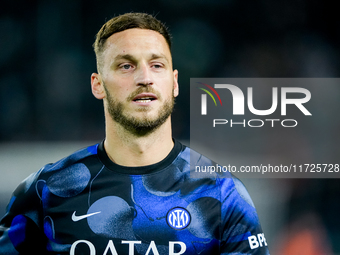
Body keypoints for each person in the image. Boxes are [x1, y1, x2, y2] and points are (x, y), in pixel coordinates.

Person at [0, 13, 270, 255]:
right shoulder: (46, 190)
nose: (144, 77)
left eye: (157, 65)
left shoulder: (221, 191)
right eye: (126, 66)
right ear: (98, 85)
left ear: (174, 83)